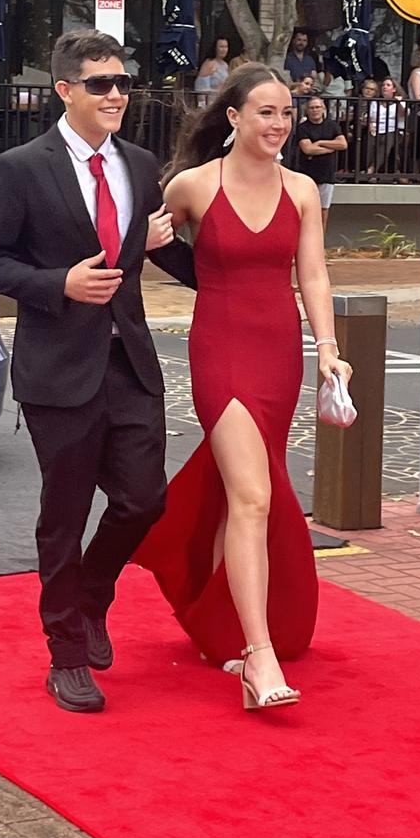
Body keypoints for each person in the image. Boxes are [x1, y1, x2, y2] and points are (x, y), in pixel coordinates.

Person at [0, 29, 197, 714]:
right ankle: (66, 652)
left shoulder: (138, 161)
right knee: (63, 515)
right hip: (58, 369)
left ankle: (92, 592)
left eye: (123, 83)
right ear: (65, 90)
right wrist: (58, 283)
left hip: (128, 363)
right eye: (100, 83)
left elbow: (148, 252)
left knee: (143, 499)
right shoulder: (21, 167)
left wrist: (231, 274)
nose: (116, 94)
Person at [133, 63, 352, 711]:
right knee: (253, 494)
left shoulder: (304, 190)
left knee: (245, 497)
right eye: (266, 112)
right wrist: (168, 253)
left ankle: (221, 626)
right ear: (233, 118)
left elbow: (313, 276)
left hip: (279, 352)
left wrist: (329, 351)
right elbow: (143, 238)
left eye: (286, 112)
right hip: (221, 351)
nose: (279, 124)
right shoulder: (196, 184)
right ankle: (259, 658)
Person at [297, 95, 347, 232]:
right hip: (307, 177)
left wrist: (320, 143)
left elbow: (342, 144)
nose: (315, 110)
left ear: (323, 108)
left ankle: (320, 246)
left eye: (317, 107)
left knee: (323, 213)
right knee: (305, 213)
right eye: (312, 108)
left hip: (327, 175)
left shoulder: (332, 126)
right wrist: (331, 147)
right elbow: (308, 149)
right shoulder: (303, 128)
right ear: (307, 110)